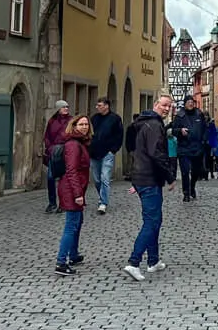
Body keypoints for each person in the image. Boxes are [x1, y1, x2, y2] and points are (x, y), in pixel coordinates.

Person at [123, 94, 176, 281]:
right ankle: (134, 262)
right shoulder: (154, 125)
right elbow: (156, 153)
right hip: (149, 178)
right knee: (152, 221)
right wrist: (170, 176)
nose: (167, 108)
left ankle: (153, 261)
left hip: (142, 176)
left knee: (155, 219)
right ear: (156, 105)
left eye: (169, 106)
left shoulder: (145, 122)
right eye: (164, 105)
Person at [54, 115, 92, 275]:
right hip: (71, 189)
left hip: (76, 188)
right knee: (71, 225)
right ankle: (61, 263)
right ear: (74, 126)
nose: (84, 127)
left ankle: (74, 255)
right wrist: (77, 194)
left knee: (78, 221)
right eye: (81, 124)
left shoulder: (79, 142)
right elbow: (71, 170)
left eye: (86, 124)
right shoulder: (73, 145)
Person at [88, 97, 125, 214]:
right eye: (97, 105)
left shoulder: (115, 119)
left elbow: (119, 135)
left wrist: (113, 150)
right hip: (94, 152)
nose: (97, 107)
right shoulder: (94, 118)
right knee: (97, 179)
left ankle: (103, 203)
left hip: (108, 153)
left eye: (99, 105)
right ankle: (102, 196)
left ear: (106, 106)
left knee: (105, 178)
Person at [172, 96, 209, 202]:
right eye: (188, 102)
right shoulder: (180, 115)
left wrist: (203, 141)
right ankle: (186, 193)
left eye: (192, 102)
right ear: (184, 104)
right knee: (185, 171)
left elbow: (205, 129)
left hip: (197, 148)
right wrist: (180, 130)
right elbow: (173, 129)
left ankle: (192, 187)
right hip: (184, 147)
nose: (190, 104)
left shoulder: (199, 114)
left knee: (195, 171)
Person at [43, 100, 72, 212]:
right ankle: (52, 203)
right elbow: (47, 136)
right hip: (53, 152)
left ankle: (63, 204)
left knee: (64, 179)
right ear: (58, 109)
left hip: (66, 152)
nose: (66, 108)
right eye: (63, 107)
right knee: (50, 177)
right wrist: (50, 148)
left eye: (67, 107)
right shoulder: (52, 121)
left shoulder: (71, 120)